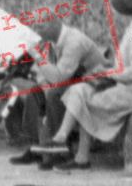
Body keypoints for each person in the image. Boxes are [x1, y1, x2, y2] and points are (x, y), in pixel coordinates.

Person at [33, 0, 132, 171]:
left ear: (124, 12)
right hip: (130, 87)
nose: (111, 16)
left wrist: (108, 74)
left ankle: (72, 149)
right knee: (79, 90)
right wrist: (106, 71)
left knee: (83, 99)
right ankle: (64, 142)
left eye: (113, 11)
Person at [8, 19, 110, 170]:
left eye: (40, 25)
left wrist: (36, 55)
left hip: (97, 84)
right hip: (76, 80)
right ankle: (40, 148)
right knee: (36, 93)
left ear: (54, 25)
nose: (36, 30)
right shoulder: (52, 39)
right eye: (35, 26)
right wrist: (43, 82)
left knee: (54, 95)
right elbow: (50, 73)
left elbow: (58, 77)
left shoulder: (73, 41)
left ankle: (60, 150)